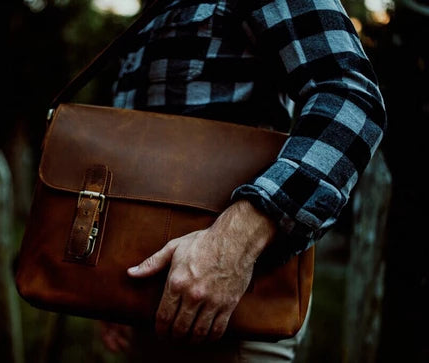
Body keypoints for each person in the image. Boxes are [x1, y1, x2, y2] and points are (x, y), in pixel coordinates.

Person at [98, 0, 387, 361]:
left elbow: (351, 98)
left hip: (240, 306)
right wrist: (112, 285)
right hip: (142, 303)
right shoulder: (152, 7)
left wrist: (232, 245)